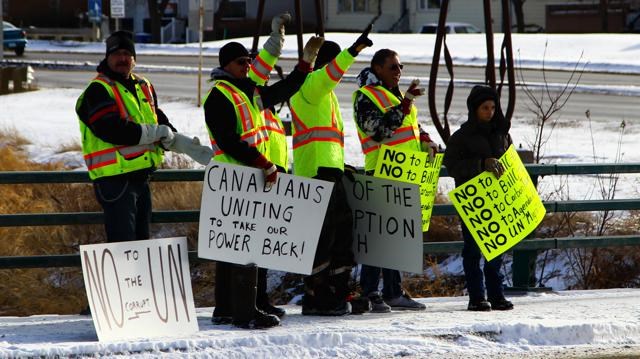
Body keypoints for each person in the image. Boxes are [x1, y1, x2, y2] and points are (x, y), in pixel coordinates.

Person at [203, 25, 324, 328]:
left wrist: (305, 63)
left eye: (247, 61)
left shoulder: (246, 93)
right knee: (243, 245)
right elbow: (229, 139)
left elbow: (282, 91)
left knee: (234, 246)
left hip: (245, 178)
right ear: (225, 65)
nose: (246, 66)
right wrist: (264, 163)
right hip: (236, 177)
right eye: (240, 62)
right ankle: (245, 313)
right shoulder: (220, 95)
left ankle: (228, 309)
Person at [76, 30, 211, 244]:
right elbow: (111, 130)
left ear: (134, 59)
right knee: (125, 246)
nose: (122, 59)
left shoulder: (143, 86)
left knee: (142, 243)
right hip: (115, 181)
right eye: (116, 54)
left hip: (141, 179)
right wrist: (157, 133)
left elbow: (161, 123)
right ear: (107, 57)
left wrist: (188, 146)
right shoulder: (98, 90)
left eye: (127, 54)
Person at [289, 26, 373, 316]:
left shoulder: (326, 95)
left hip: (329, 172)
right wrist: (353, 51)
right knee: (322, 239)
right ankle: (317, 296)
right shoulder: (310, 85)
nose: (340, 72)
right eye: (335, 63)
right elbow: (329, 74)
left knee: (340, 234)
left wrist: (340, 165)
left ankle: (337, 290)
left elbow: (327, 138)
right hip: (314, 174)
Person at [353, 49, 436, 313]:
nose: (398, 71)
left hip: (404, 173)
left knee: (396, 236)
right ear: (377, 69)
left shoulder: (398, 96)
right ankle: (370, 293)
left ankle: (393, 292)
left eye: (400, 66)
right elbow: (378, 131)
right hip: (381, 172)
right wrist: (405, 105)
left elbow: (410, 127)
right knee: (379, 237)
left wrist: (425, 139)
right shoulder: (365, 97)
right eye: (392, 67)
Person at [443, 85, 515, 312]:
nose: (490, 112)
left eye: (493, 107)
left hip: (497, 198)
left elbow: (510, 160)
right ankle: (476, 296)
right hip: (474, 201)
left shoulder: (501, 133)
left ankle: (496, 294)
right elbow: (452, 166)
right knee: (473, 249)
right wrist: (480, 164)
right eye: (485, 108)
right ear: (474, 109)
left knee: (497, 248)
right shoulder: (462, 137)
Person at [246, 13, 291, 320]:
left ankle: (262, 299)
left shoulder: (272, 114)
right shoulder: (255, 100)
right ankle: (252, 303)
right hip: (257, 177)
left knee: (264, 248)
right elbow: (257, 72)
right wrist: (276, 41)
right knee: (252, 249)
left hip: (273, 178)